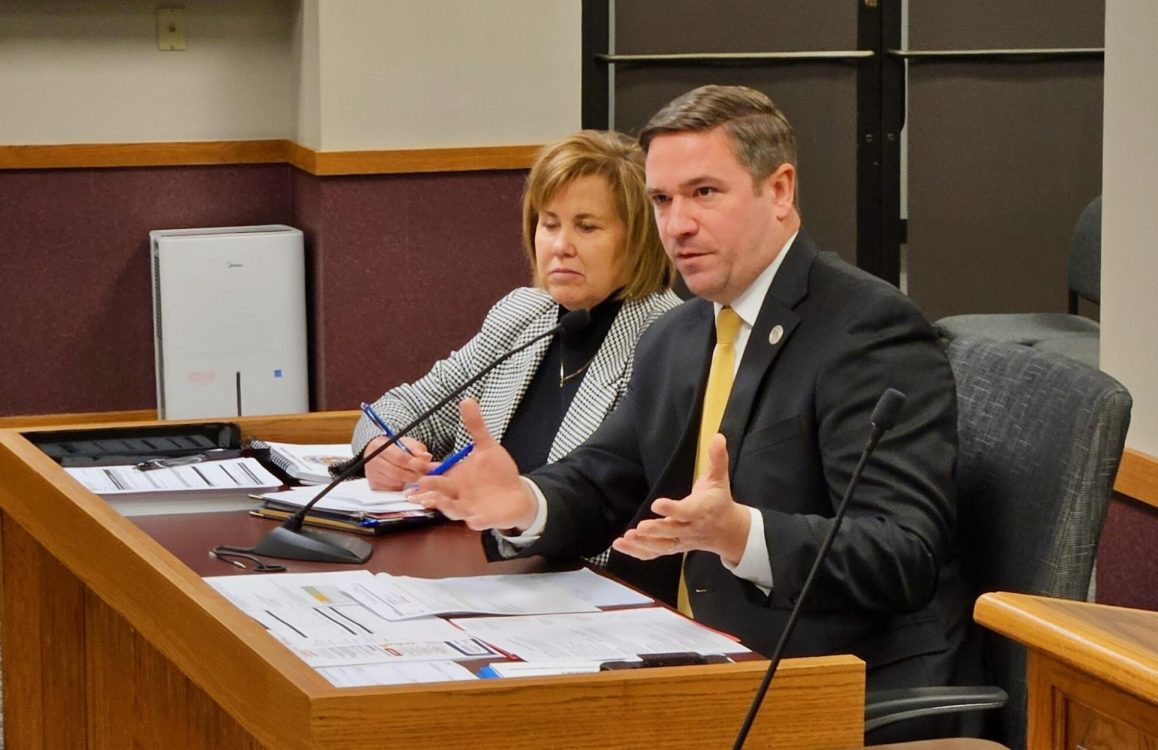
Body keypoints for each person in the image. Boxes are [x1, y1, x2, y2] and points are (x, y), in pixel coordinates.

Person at [414, 86, 969, 696]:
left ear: (779, 190)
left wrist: (739, 534)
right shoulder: (678, 332)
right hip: (668, 648)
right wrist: (522, 502)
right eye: (661, 200)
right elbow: (607, 477)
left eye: (704, 193)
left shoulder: (866, 328)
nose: (677, 225)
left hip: (814, 679)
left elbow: (901, 554)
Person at [352, 130, 680, 501]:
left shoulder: (667, 339)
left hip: (575, 557)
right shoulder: (522, 315)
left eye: (586, 227)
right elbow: (401, 409)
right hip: (470, 545)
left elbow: (608, 495)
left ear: (641, 238)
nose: (560, 247)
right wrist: (381, 449)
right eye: (550, 224)